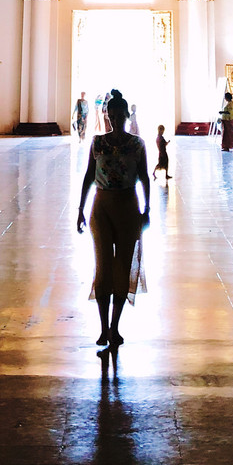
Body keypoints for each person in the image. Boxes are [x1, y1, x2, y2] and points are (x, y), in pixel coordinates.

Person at [77, 89, 150, 351]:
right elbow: (88, 176)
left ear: (127, 116)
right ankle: (102, 327)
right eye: (113, 115)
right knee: (103, 266)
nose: (117, 120)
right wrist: (80, 209)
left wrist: (147, 209)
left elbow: (143, 176)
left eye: (121, 116)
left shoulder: (137, 144)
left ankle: (115, 327)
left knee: (123, 267)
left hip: (128, 205)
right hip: (102, 206)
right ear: (107, 116)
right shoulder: (98, 142)